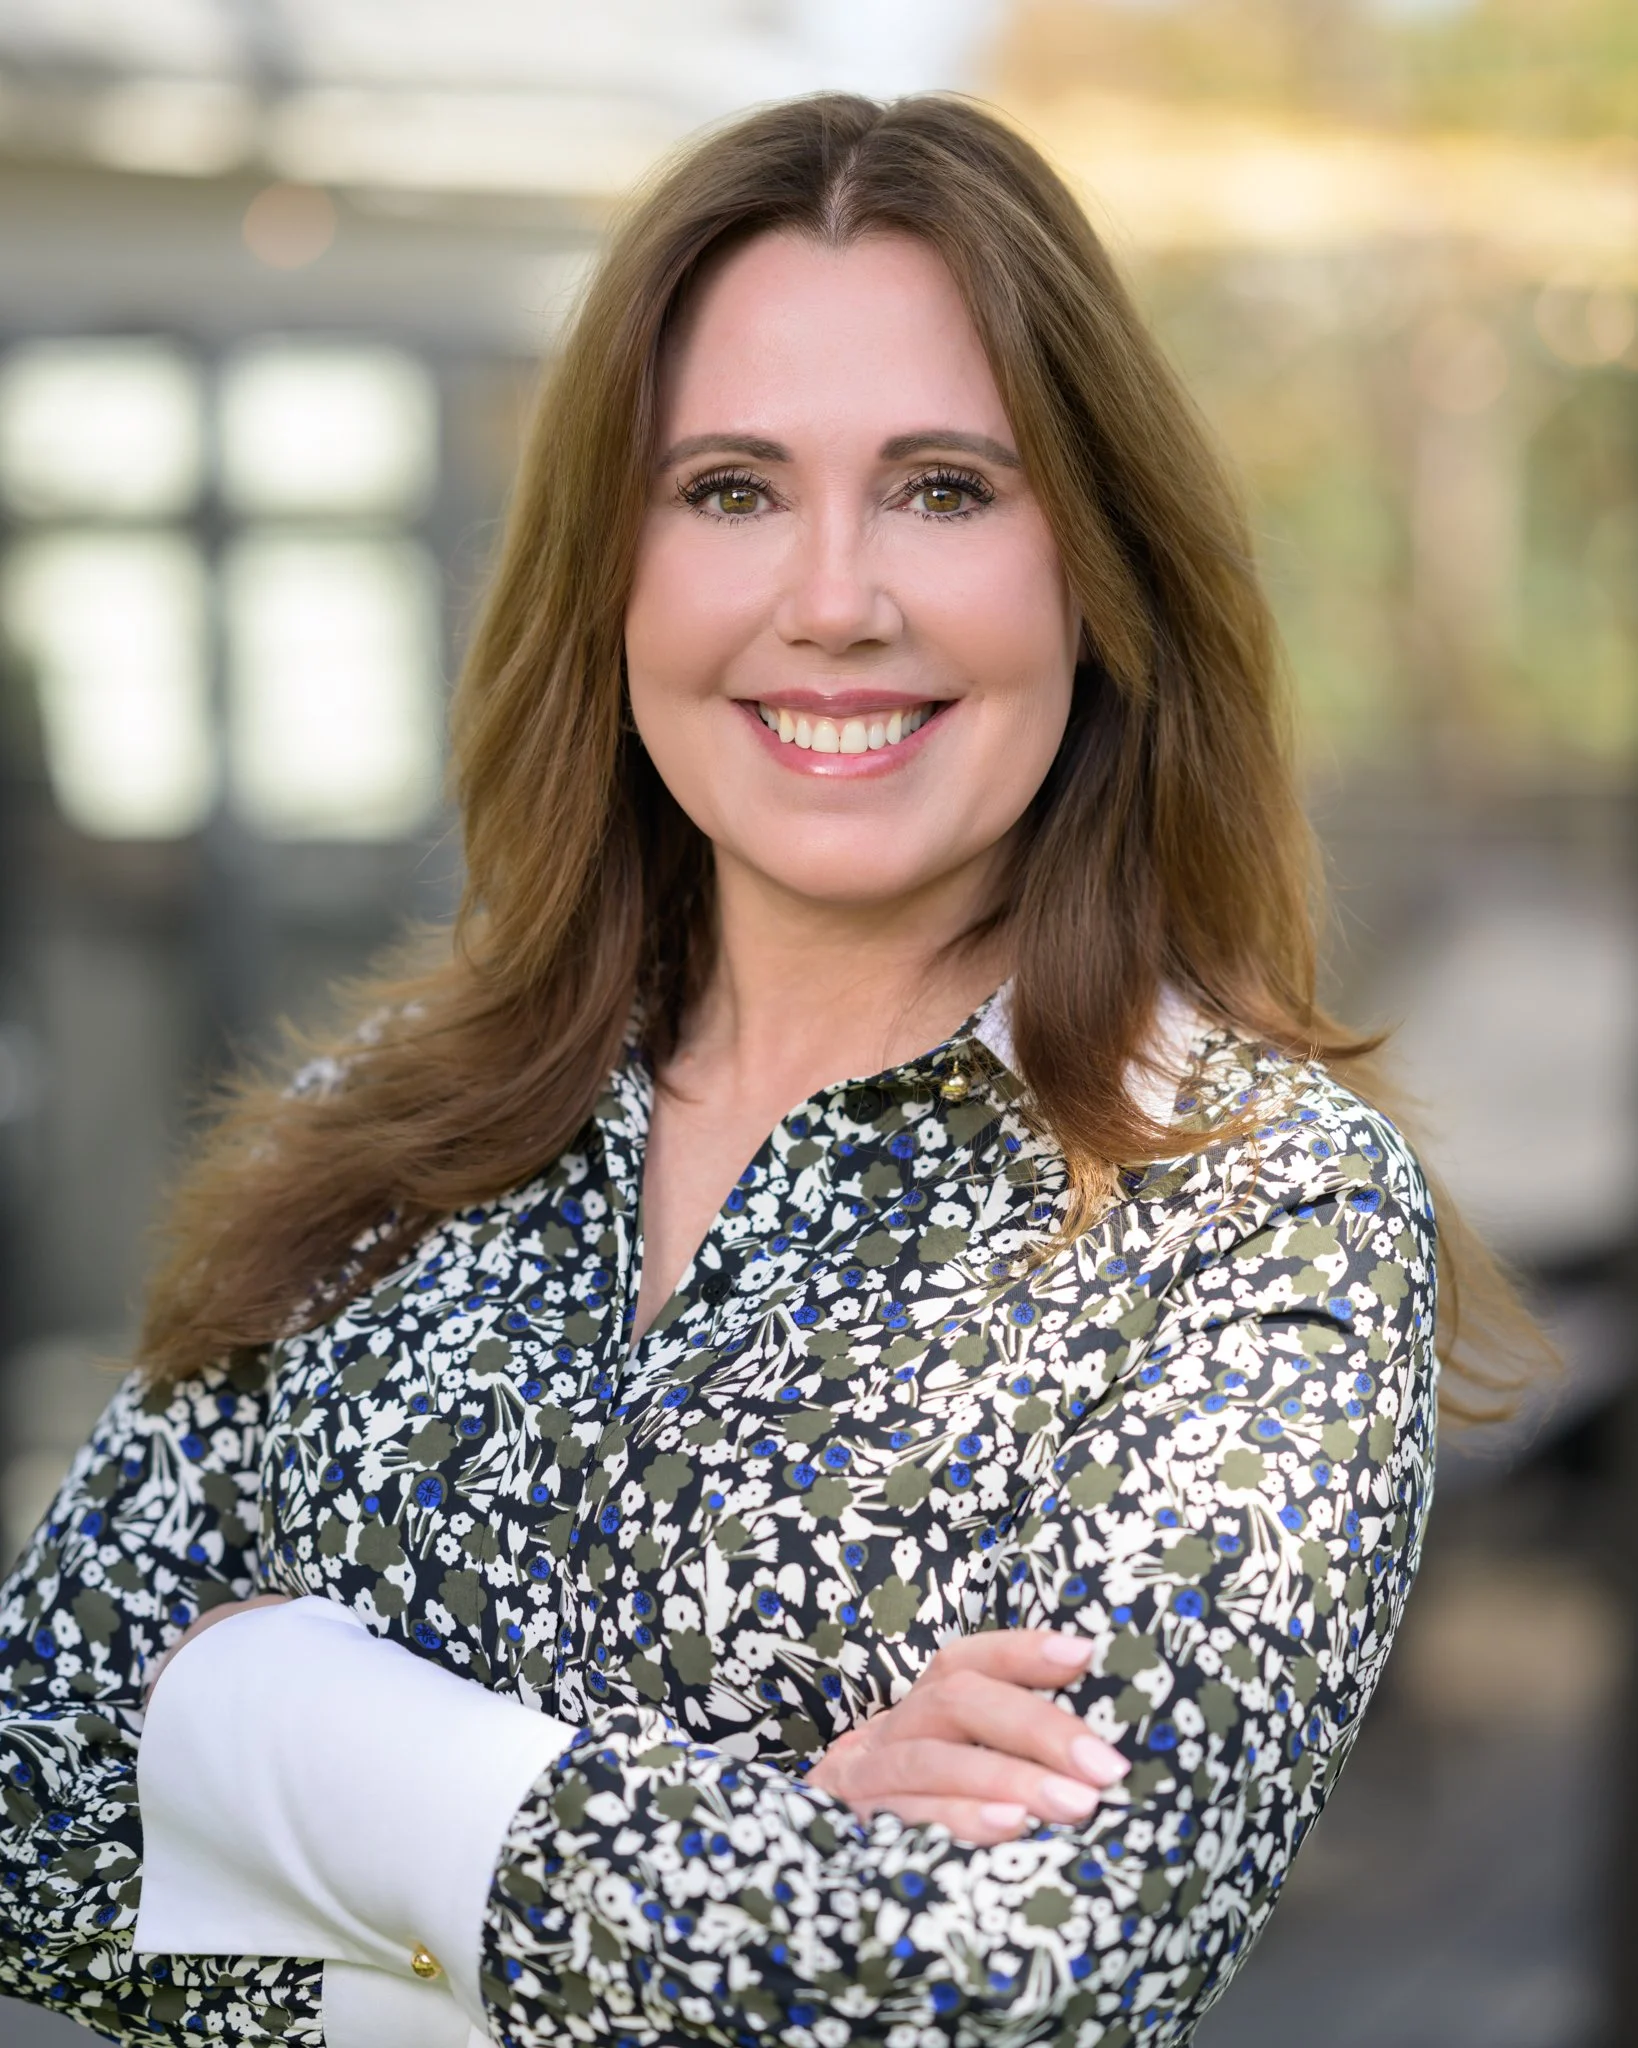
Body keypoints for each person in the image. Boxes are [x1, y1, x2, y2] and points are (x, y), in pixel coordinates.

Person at [0, 91, 1508, 2048]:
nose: (831, 598)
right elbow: (36, 1798)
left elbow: (1008, 1982)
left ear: (1097, 566)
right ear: (611, 570)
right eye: (728, 487)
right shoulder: (384, 1128)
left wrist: (267, 1722)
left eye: (946, 486)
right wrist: (766, 1857)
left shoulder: (1249, 1204)